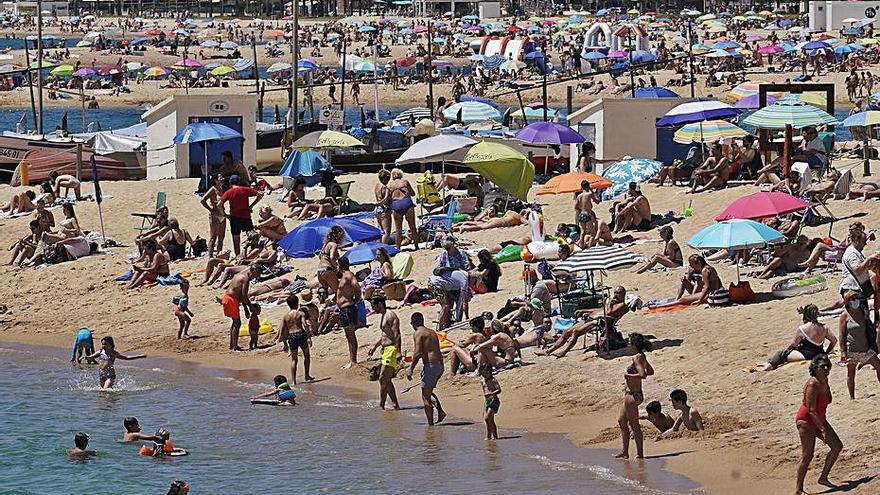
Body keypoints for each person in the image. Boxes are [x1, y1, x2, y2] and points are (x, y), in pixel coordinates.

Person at [795, 355, 841, 495]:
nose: (826, 368)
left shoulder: (825, 381)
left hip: (820, 419)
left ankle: (823, 477)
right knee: (807, 455)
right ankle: (798, 489)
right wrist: (822, 429)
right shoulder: (812, 384)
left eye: (828, 365)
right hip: (806, 421)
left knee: (837, 446)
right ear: (815, 368)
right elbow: (811, 409)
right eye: (822, 366)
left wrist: (822, 425)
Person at [615, 333, 654, 459]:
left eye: (629, 342)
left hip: (633, 395)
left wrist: (629, 376)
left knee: (634, 426)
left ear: (634, 345)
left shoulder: (636, 358)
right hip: (631, 394)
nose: (628, 345)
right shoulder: (641, 356)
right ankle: (625, 451)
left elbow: (643, 375)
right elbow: (650, 371)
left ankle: (639, 454)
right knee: (621, 421)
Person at [762, 305, 836, 371]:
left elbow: (794, 344)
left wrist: (788, 351)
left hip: (805, 355)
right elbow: (834, 340)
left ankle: (769, 366)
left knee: (782, 354)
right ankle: (769, 361)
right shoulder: (824, 327)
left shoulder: (802, 328)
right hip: (819, 353)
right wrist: (826, 353)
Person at [406, 312, 446, 426]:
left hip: (431, 365)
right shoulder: (432, 332)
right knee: (428, 392)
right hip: (439, 365)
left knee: (425, 397)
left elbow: (417, 353)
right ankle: (440, 412)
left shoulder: (418, 333)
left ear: (412, 323)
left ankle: (430, 426)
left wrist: (411, 369)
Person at [367, 291, 401, 410]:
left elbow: (397, 335)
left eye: (373, 306)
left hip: (391, 350)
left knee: (382, 378)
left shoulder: (390, 315)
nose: (373, 309)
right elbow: (385, 335)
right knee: (386, 379)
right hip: (386, 350)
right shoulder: (384, 315)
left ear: (379, 304)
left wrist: (398, 352)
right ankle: (395, 404)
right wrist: (375, 346)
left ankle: (381, 406)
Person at [219, 174, 263, 257]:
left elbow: (219, 204)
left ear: (230, 182)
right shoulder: (245, 189)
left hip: (234, 218)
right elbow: (260, 194)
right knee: (252, 237)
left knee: (236, 239)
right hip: (245, 216)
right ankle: (253, 254)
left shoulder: (229, 192)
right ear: (239, 182)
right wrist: (251, 205)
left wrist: (224, 214)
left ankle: (238, 256)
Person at [222, 264, 259, 351]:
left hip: (228, 298)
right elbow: (244, 296)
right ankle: (234, 347)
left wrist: (246, 309)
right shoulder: (245, 279)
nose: (257, 276)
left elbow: (242, 296)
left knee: (235, 323)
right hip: (231, 300)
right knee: (237, 323)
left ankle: (232, 345)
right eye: (257, 274)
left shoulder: (241, 275)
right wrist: (250, 307)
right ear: (253, 271)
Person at [337, 257, 364, 369]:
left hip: (348, 308)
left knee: (351, 334)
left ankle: (353, 360)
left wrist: (356, 299)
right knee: (348, 335)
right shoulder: (343, 276)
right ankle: (351, 359)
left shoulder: (348, 275)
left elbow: (357, 287)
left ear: (341, 265)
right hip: (344, 309)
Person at [282, 294, 314, 384]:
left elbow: (284, 331)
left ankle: (293, 381)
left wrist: (284, 343)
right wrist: (309, 338)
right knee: (306, 356)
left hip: (291, 336)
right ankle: (307, 375)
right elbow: (305, 325)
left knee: (294, 359)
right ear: (297, 303)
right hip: (300, 334)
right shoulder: (300, 314)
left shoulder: (286, 316)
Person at [387, 168, 418, 249]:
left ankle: (398, 248)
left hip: (396, 204)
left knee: (398, 229)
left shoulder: (389, 185)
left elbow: (388, 198)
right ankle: (416, 246)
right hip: (406, 202)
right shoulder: (405, 182)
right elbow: (413, 193)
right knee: (412, 227)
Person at [200, 174, 227, 258]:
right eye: (220, 178)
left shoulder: (222, 189)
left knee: (221, 237)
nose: (222, 179)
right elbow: (203, 200)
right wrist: (210, 209)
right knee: (213, 237)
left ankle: (219, 255)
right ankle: (210, 257)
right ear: (216, 180)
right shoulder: (213, 190)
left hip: (222, 214)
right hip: (215, 215)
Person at [317, 226, 343, 294]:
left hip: (320, 270)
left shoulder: (325, 244)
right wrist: (336, 267)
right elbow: (332, 257)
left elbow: (320, 256)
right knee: (338, 292)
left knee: (324, 292)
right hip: (327, 270)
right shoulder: (333, 244)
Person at [575, 180, 600, 248]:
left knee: (583, 232)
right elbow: (597, 201)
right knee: (593, 233)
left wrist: (581, 210)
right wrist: (592, 191)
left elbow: (576, 207)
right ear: (588, 186)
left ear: (581, 187)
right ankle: (589, 247)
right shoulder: (589, 194)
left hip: (581, 215)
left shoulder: (579, 196)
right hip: (587, 214)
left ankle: (581, 246)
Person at [480, 364, 501, 440]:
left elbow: (499, 390)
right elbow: (484, 390)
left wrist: (491, 394)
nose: (485, 375)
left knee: (487, 418)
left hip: (494, 401)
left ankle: (490, 436)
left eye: (486, 373)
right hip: (488, 402)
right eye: (483, 374)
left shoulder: (493, 380)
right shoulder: (482, 381)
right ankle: (492, 436)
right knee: (490, 420)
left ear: (490, 372)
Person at [374, 169, 392, 244]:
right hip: (384, 209)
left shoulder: (377, 185)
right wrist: (380, 203)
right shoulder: (385, 187)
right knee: (386, 231)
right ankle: (383, 247)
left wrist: (377, 203)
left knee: (380, 230)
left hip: (377, 210)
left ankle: (379, 246)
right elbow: (386, 199)